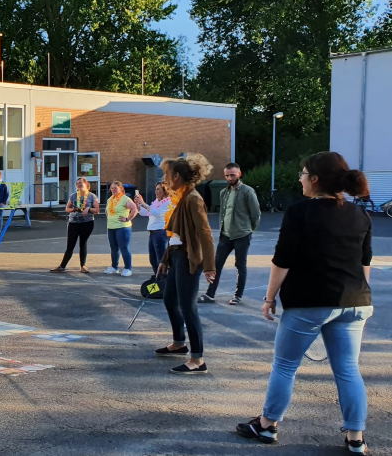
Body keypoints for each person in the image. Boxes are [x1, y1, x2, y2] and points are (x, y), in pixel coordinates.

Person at [235, 152, 373, 454]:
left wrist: (269, 298)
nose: (299, 178)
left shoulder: (300, 212)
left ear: (314, 179)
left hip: (310, 303)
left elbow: (282, 261)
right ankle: (356, 438)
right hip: (355, 301)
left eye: (302, 173)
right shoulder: (359, 215)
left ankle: (268, 425)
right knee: (348, 369)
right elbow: (365, 264)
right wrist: (358, 294)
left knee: (285, 366)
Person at [155, 154, 216, 374]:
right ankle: (179, 342)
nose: (165, 178)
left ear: (178, 176)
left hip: (190, 259)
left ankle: (198, 359)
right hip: (177, 255)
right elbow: (175, 235)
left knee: (188, 307)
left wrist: (209, 266)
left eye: (167, 174)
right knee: (170, 299)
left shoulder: (193, 199)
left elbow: (205, 233)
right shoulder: (180, 197)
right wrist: (164, 260)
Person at [200, 162, 261, 305]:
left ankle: (237, 296)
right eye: (227, 175)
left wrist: (249, 230)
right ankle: (210, 294)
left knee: (240, 265)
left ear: (239, 174)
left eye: (232, 175)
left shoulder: (247, 191)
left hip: (242, 235)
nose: (229, 178)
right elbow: (223, 213)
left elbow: (256, 214)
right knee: (216, 265)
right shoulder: (223, 192)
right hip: (225, 235)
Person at [50, 177, 99, 274]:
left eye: (81, 183)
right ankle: (62, 266)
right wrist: (74, 209)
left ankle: (83, 266)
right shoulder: (73, 196)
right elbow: (67, 209)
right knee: (70, 245)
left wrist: (88, 209)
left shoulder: (92, 196)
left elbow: (97, 210)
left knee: (82, 244)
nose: (79, 185)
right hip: (73, 223)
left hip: (87, 223)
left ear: (86, 184)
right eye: (77, 183)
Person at [135, 182, 171, 276]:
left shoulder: (168, 201)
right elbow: (144, 213)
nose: (156, 191)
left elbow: (158, 213)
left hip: (160, 232)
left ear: (165, 191)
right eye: (156, 189)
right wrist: (139, 205)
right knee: (153, 259)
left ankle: (163, 281)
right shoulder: (156, 202)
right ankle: (158, 278)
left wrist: (143, 203)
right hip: (153, 233)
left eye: (158, 189)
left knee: (160, 259)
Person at [103, 181, 138, 276]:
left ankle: (128, 268)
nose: (113, 190)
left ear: (121, 189)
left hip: (122, 228)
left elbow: (134, 209)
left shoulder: (125, 199)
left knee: (124, 248)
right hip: (111, 227)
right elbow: (107, 212)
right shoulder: (110, 199)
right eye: (111, 188)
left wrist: (127, 218)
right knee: (113, 248)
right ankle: (114, 267)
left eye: (115, 188)